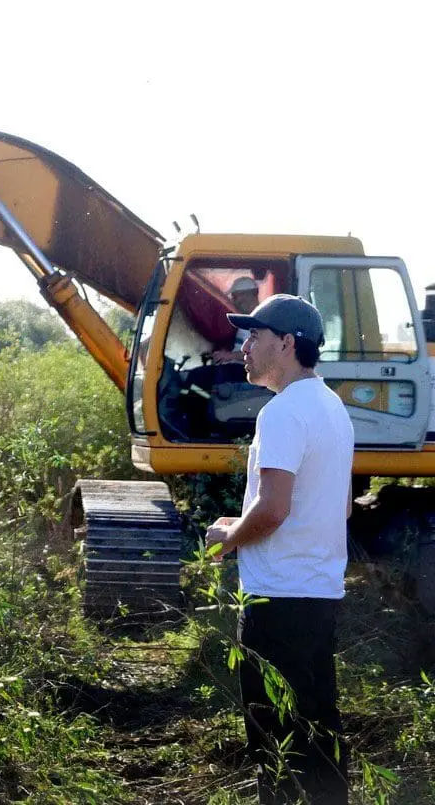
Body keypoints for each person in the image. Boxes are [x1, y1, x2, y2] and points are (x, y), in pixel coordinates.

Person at [205, 294, 353, 804]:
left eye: (254, 337)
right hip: (319, 598)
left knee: (277, 747)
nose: (243, 347)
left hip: (276, 603)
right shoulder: (333, 407)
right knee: (319, 736)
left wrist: (229, 537)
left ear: (287, 343)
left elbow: (273, 511)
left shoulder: (282, 412)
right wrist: (243, 521)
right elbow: (337, 508)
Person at [212, 275, 261, 364]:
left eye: (235, 297)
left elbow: (260, 353)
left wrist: (230, 355)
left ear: (251, 294)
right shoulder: (244, 319)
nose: (234, 302)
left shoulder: (263, 319)